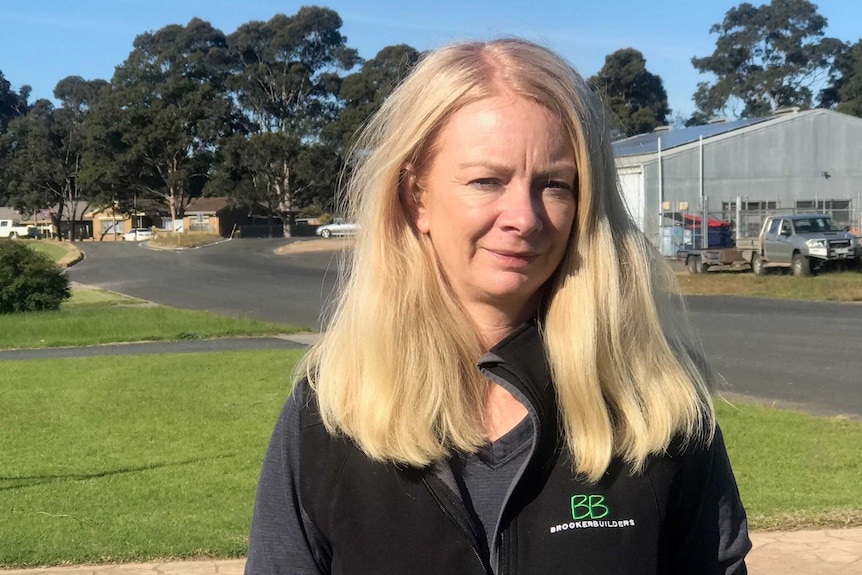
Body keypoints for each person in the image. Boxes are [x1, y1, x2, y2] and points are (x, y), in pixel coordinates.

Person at [245, 38, 750, 575]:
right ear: (417, 197)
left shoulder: (655, 402)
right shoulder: (330, 407)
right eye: (487, 181)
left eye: (554, 184)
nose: (525, 217)